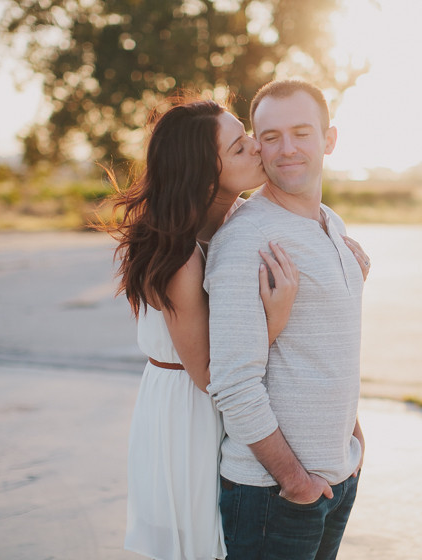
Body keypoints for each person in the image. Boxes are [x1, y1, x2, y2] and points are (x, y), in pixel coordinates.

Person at [102, 98, 369, 560]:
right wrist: (275, 319)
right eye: (241, 146)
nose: (258, 150)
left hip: (224, 402)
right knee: (198, 543)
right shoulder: (180, 256)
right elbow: (213, 373)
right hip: (188, 408)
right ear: (206, 169)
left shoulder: (236, 220)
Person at [205, 80, 368, 559]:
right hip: (271, 493)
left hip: (337, 476)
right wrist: (294, 480)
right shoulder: (245, 240)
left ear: (329, 139)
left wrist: (353, 443)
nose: (287, 148)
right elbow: (233, 383)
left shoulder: (332, 225)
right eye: (270, 136)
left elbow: (323, 343)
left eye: (301, 132)